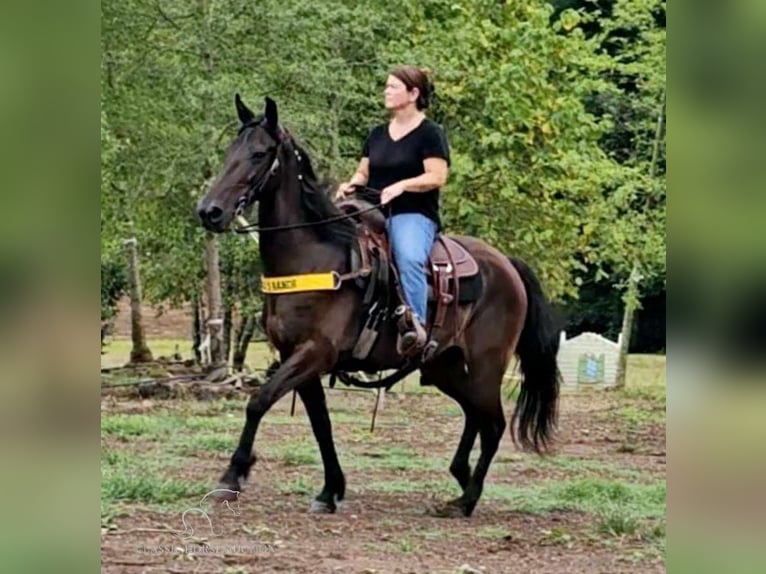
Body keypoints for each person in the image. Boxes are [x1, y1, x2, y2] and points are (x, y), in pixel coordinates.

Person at [336, 65, 450, 357]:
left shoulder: (430, 134)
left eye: (393, 86)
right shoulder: (376, 134)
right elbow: (364, 173)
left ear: (413, 94)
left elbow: (436, 176)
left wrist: (403, 186)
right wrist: (351, 185)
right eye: (386, 86)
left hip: (411, 213)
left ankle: (416, 328)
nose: (386, 91)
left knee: (409, 257)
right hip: (370, 209)